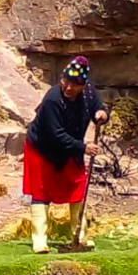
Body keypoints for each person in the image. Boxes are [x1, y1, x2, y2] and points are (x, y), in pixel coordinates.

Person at [23, 56, 108, 253]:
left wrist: (102, 114)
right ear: (62, 78)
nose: (69, 87)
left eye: (75, 84)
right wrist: (82, 147)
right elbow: (56, 134)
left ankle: (80, 236)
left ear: (83, 84)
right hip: (43, 148)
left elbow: (98, 107)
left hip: (70, 148)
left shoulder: (87, 92)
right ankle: (39, 240)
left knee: (77, 187)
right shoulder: (53, 99)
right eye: (66, 81)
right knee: (41, 191)